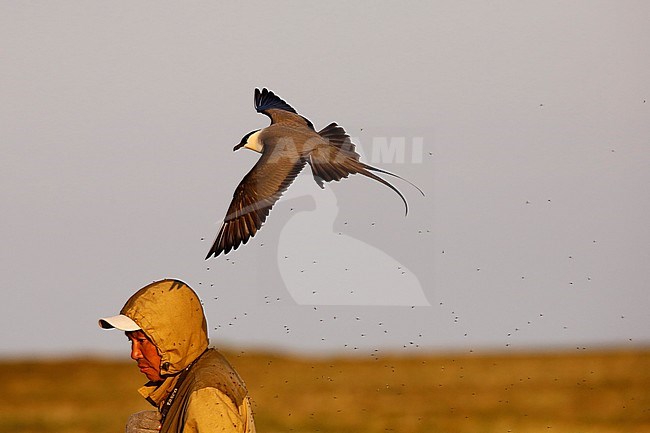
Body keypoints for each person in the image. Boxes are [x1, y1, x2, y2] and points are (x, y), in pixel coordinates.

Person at [99, 278, 256, 433]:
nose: (134, 353)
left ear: (171, 338)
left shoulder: (205, 393)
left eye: (142, 340)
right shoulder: (188, 378)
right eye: (130, 340)